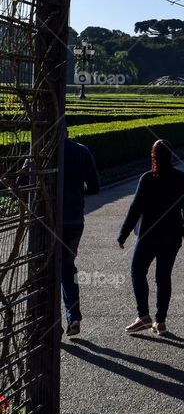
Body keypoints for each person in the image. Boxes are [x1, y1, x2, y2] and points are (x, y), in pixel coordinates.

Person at [118, 140, 184, 335]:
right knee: (163, 276)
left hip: (149, 234)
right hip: (172, 234)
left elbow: (136, 208)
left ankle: (143, 315)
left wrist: (124, 233)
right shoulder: (182, 178)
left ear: (153, 156)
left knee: (137, 271)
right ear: (171, 156)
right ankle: (160, 321)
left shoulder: (148, 178)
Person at [60, 137, 101, 339]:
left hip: (49, 221)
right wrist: (77, 192)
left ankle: (51, 325)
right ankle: (73, 316)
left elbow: (24, 181)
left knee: (47, 271)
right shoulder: (82, 151)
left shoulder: (42, 149)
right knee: (68, 268)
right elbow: (94, 187)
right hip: (75, 220)